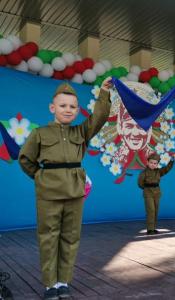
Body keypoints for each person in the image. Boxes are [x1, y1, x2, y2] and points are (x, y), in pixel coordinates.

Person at [18, 78, 112, 300]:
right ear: (53, 108)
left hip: (75, 192)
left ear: (77, 110)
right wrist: (41, 177)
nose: (68, 110)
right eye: (62, 105)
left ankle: (63, 281)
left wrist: (104, 92)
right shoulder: (40, 133)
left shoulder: (80, 132)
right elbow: (25, 159)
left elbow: (99, 118)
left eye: (72, 107)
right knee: (48, 237)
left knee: (70, 237)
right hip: (48, 193)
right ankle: (50, 284)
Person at [138, 152, 175, 235]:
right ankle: (150, 229)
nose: (153, 164)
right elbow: (140, 183)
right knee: (150, 210)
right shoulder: (143, 173)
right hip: (148, 193)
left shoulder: (159, 171)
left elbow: (167, 168)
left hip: (157, 192)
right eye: (151, 162)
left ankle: (154, 228)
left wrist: (172, 160)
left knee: (155, 210)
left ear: (157, 164)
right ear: (147, 162)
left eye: (155, 163)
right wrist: (147, 188)